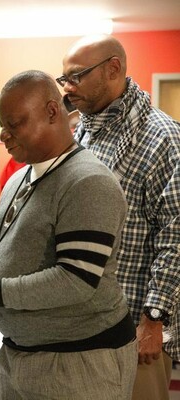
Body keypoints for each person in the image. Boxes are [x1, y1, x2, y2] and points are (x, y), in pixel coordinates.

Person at [0, 70, 137, 399]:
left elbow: (74, 280)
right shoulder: (19, 179)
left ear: (52, 111)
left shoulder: (88, 182)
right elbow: (11, 256)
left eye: (14, 124)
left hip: (79, 363)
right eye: (3, 126)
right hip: (22, 356)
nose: (5, 136)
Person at [60, 34, 180, 400]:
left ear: (113, 69)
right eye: (63, 77)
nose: (67, 87)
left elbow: (176, 237)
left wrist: (153, 319)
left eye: (77, 76)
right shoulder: (84, 131)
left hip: (133, 327)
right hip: (81, 323)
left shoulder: (163, 138)